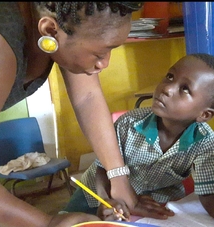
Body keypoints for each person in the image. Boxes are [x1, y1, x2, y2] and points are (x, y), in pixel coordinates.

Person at [0, 2, 161, 227]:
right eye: (100, 52)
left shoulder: (64, 24)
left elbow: (87, 98)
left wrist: (119, 179)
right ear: (49, 30)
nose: (104, 63)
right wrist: (48, 223)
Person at [63, 53, 214, 222]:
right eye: (170, 77)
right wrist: (106, 200)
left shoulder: (205, 142)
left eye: (184, 89)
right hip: (97, 191)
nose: (167, 88)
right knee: (68, 221)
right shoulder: (128, 124)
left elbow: (208, 193)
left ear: (204, 114)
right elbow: (102, 168)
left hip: (152, 200)